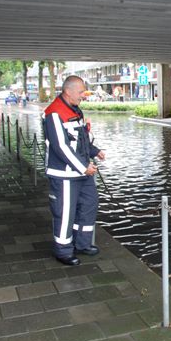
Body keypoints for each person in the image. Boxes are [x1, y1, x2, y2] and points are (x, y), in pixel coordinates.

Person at [43, 76, 106, 266]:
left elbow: (82, 139)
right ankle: (63, 251)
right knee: (64, 213)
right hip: (65, 175)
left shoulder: (75, 110)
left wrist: (96, 151)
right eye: (81, 92)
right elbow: (60, 147)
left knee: (89, 204)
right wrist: (83, 167)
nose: (83, 96)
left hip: (82, 172)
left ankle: (82, 243)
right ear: (68, 91)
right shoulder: (54, 113)